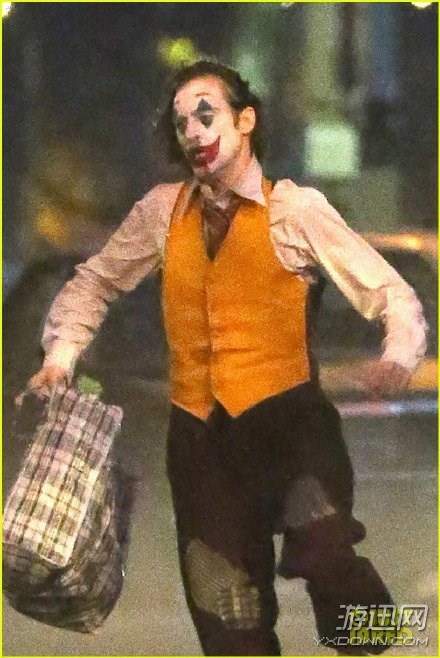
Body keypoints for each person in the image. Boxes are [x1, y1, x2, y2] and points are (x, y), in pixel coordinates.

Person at [28, 61, 427, 656]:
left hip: (291, 430)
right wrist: (61, 357)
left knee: (327, 556)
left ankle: (380, 640)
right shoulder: (162, 213)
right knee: (228, 614)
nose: (192, 131)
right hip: (201, 444)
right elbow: (96, 281)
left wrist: (397, 355)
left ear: (245, 121)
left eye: (205, 115)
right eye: (181, 123)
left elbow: (390, 292)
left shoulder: (294, 210)